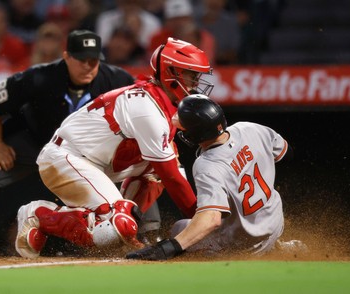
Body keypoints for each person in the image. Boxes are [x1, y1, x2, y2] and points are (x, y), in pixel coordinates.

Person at [14, 37, 215, 258]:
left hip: (95, 162)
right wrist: (203, 220)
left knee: (165, 163)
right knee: (118, 227)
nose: (196, 82)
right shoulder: (148, 109)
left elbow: (173, 172)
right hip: (66, 158)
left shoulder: (161, 103)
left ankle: (125, 229)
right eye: (192, 75)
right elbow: (173, 179)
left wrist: (203, 214)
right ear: (171, 72)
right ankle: (40, 215)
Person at [0, 30, 135, 257]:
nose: (88, 66)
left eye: (93, 61)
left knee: (140, 168)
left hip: (87, 154)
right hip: (36, 143)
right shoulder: (40, 77)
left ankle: (140, 234)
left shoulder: (118, 80)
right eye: (81, 60)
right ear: (66, 57)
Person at [126, 94, 294, 260]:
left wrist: (169, 247)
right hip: (276, 221)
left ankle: (263, 252)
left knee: (179, 229)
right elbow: (286, 154)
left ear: (195, 134)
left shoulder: (207, 164)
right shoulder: (249, 128)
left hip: (247, 244)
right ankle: (279, 245)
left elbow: (211, 220)